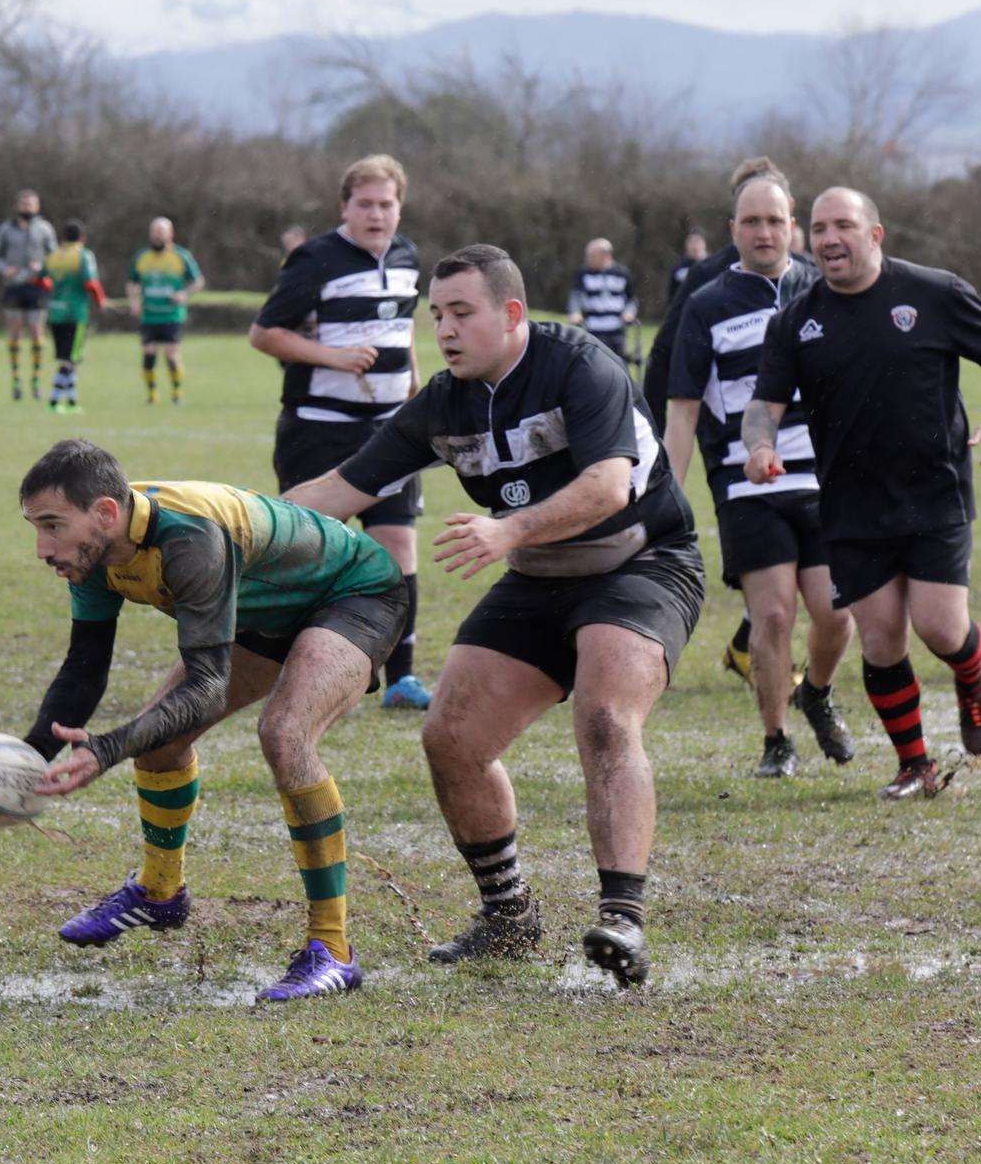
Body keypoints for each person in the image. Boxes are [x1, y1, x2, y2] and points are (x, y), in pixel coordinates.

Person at [289, 245, 702, 987]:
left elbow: (610, 486)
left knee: (607, 717)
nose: (443, 330)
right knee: (452, 738)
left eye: (461, 313)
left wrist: (507, 531)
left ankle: (623, 920)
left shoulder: (580, 365)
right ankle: (508, 917)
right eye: (435, 315)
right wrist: (229, 522)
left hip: (641, 563)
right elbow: (340, 491)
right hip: (539, 575)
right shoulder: (442, 402)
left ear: (511, 314)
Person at [19, 440, 405, 1002]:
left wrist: (104, 750)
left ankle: (334, 950)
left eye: (52, 526)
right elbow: (83, 671)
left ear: (105, 512)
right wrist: (28, 761)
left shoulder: (189, 537)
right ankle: (158, 892)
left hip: (354, 593)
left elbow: (206, 688)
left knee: (285, 734)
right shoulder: (97, 551)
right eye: (36, 527)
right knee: (159, 741)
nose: (41, 547)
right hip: (260, 608)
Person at [748, 188, 981, 802]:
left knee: (940, 627)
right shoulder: (795, 320)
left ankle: (970, 671)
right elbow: (763, 407)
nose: (828, 239)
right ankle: (915, 765)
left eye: (843, 225)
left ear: (875, 235)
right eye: (818, 229)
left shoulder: (934, 292)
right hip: (851, 504)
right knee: (880, 640)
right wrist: (760, 445)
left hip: (935, 489)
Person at [665, 162, 855, 778]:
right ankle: (777, 740)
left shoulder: (826, 291)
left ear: (794, 226)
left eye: (776, 220)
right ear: (733, 229)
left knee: (836, 613)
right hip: (748, 484)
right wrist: (667, 498)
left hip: (826, 481)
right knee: (773, 615)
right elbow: (683, 411)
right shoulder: (706, 304)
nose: (764, 231)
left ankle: (817, 693)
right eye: (752, 221)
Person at [252, 154, 431, 710]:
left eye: (387, 204)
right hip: (318, 430)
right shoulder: (315, 259)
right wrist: (332, 357)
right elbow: (264, 334)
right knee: (308, 553)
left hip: (389, 432)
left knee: (397, 544)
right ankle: (271, 665)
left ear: (399, 206)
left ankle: (401, 677)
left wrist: (417, 391)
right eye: (365, 204)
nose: (377, 214)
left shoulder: (408, 256)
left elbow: (401, 332)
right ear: (344, 206)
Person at [127, 217, 204, 405]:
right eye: (154, 232)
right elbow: (132, 282)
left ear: (170, 234)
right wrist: (134, 302)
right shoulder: (141, 257)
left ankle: (177, 393)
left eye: (161, 232)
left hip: (172, 315)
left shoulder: (181, 256)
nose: (156, 236)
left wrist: (184, 295)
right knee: (149, 354)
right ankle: (152, 396)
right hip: (150, 315)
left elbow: (198, 281)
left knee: (171, 354)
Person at [0, 190, 56, 402]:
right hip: (14, 286)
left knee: (37, 333)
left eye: (31, 204)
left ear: (37, 206)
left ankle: (36, 380)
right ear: (18, 205)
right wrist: (4, 269)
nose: (27, 207)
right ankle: (15, 380)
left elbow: (54, 256)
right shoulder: (6, 229)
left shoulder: (45, 228)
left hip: (36, 287)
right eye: (24, 204)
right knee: (15, 334)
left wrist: (43, 266)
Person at [43, 218, 106, 414]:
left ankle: (71, 402)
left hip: (55, 312)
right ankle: (54, 400)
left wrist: (54, 290)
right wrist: (100, 301)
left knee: (66, 358)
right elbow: (91, 284)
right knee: (71, 359)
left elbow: (40, 279)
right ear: (83, 238)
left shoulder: (53, 255)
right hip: (75, 313)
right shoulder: (83, 255)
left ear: (63, 237)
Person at [566, 238, 638, 362]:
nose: (587, 259)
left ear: (606, 256)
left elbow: (632, 300)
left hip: (617, 332)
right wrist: (575, 313)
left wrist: (629, 313)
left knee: (619, 363)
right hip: (593, 330)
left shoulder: (622, 273)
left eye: (591, 256)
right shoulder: (584, 273)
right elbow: (576, 297)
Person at [667, 227, 707, 305]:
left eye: (697, 241)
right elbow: (672, 294)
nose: (695, 245)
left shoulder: (713, 264)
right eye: (692, 241)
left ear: (704, 243)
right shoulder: (679, 267)